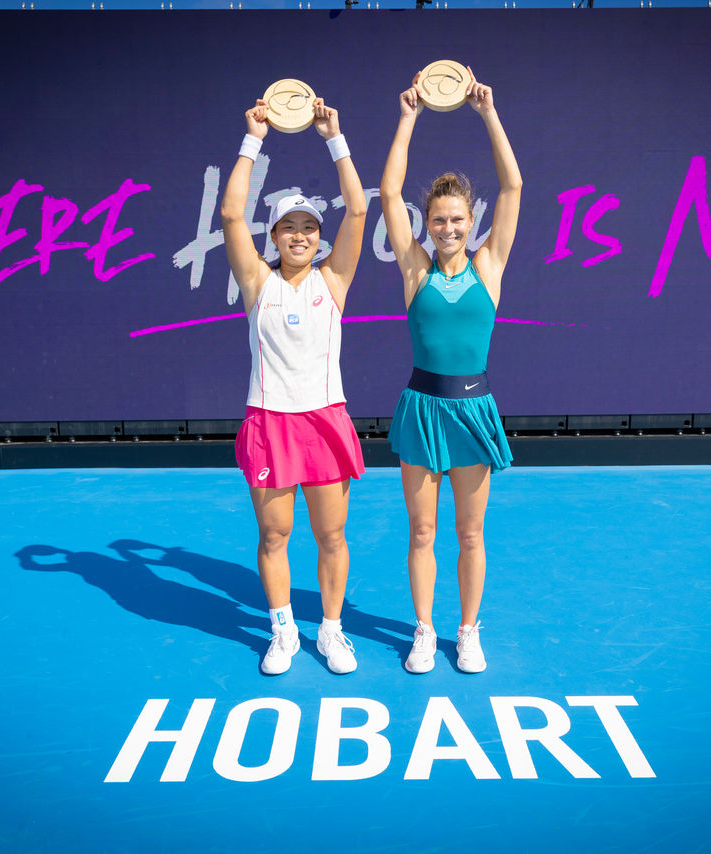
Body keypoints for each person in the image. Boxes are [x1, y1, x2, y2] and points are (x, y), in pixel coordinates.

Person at [379, 69, 522, 674]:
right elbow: (387, 194)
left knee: (469, 536)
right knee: (420, 533)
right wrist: (408, 113)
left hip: (472, 412)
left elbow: (513, 185)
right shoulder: (415, 269)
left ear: (471, 219)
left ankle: (466, 631)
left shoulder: (490, 264)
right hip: (421, 410)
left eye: (458, 218)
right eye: (438, 219)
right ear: (427, 224)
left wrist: (487, 112)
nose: (448, 228)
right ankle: (423, 630)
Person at [221, 97, 368, 675]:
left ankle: (330, 632)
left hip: (324, 420)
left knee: (332, 536)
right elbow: (232, 216)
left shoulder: (334, 281)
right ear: (275, 237)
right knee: (275, 533)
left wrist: (335, 137)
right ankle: (283, 631)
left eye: (310, 226)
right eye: (290, 227)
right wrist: (252, 138)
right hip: (269, 421)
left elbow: (358, 212)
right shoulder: (257, 281)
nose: (301, 235)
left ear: (318, 237)